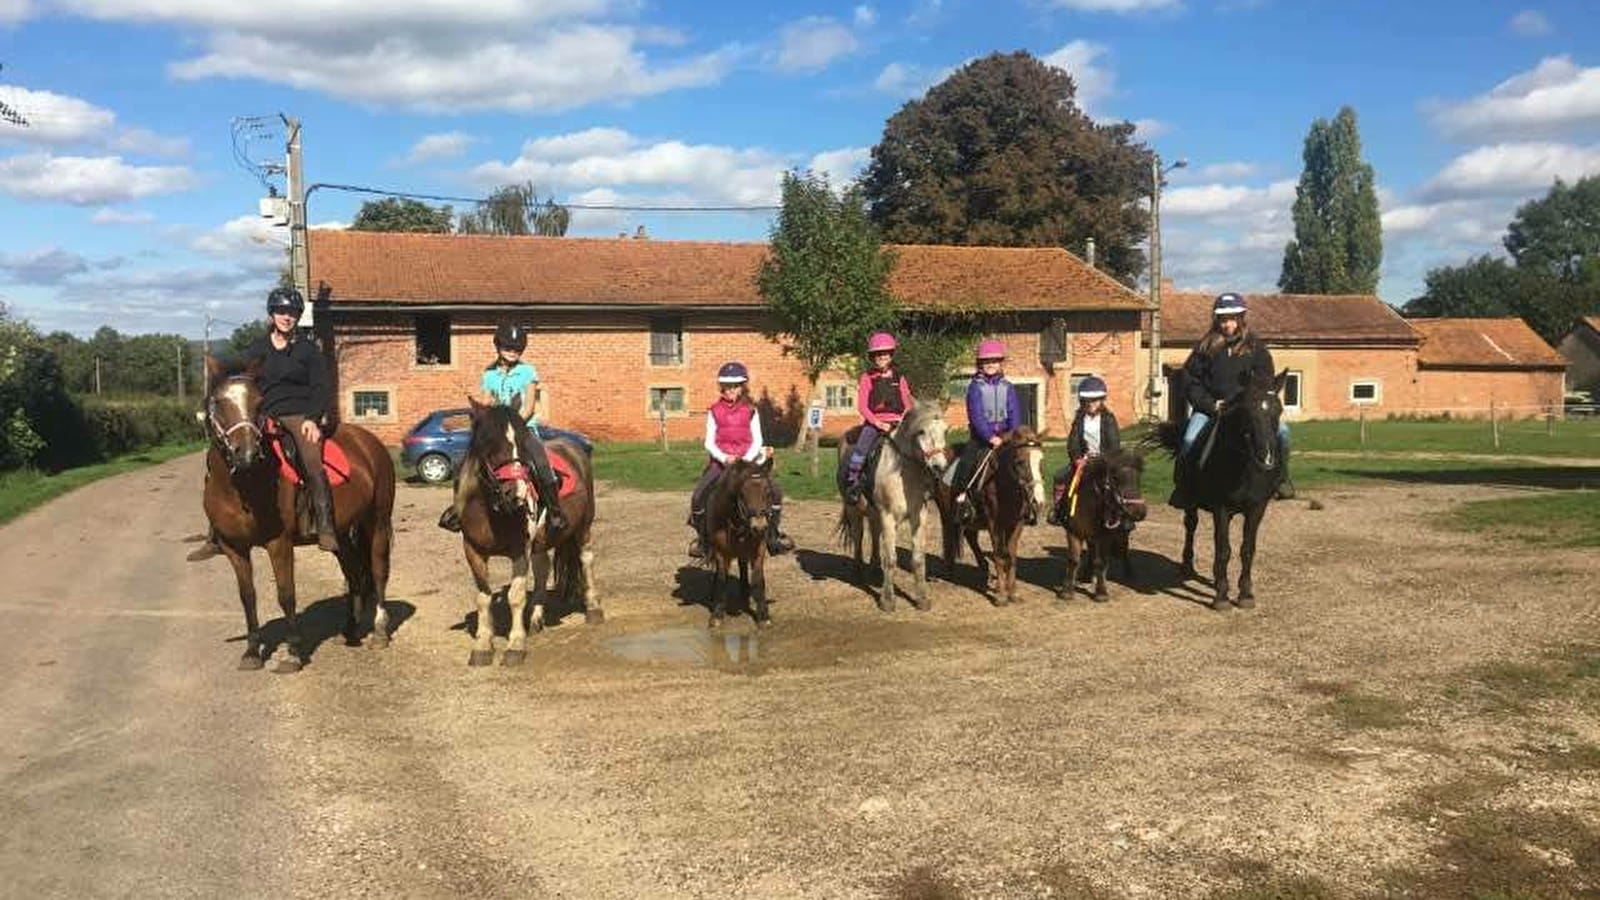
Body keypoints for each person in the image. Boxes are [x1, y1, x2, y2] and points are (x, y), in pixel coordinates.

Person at [438, 322, 568, 533]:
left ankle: (554, 511)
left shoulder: (528, 372)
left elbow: (528, 407)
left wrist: (513, 425)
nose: (512, 352)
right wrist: (482, 416)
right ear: (498, 348)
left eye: (517, 349)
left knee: (540, 461)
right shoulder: (489, 374)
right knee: (465, 464)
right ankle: (458, 510)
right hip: (498, 433)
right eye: (508, 347)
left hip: (523, 429)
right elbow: (488, 402)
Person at [1174, 292, 1293, 504]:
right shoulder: (1204, 347)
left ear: (1241, 318)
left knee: (1283, 433)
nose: (1227, 324)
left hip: (1247, 410)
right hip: (1210, 409)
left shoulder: (1256, 348)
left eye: (1232, 319)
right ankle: (1184, 488)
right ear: (1216, 320)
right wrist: (1210, 404)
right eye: (1223, 319)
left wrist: (1250, 401)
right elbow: (1190, 380)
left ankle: (1281, 479)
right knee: (1189, 439)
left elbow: (1265, 380)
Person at [252, 286, 338, 552]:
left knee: (313, 463)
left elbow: (321, 386)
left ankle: (325, 527)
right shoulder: (257, 349)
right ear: (272, 314)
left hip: (298, 415)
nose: (286, 317)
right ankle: (216, 533)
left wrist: (312, 419)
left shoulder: (308, 350)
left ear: (298, 317)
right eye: (281, 311)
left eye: (291, 313)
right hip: (264, 414)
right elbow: (246, 380)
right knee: (230, 456)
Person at [686, 361, 794, 559]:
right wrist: (724, 458)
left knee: (776, 492)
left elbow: (757, 440)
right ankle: (703, 540)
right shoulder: (713, 411)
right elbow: (709, 442)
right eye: (726, 386)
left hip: (747, 463)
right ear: (721, 387)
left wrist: (744, 460)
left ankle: (773, 536)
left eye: (735, 386)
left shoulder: (751, 410)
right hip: (721, 464)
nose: (730, 390)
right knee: (698, 496)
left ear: (742, 387)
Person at [948, 339, 1022, 523]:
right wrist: (989, 437)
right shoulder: (975, 387)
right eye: (986, 362)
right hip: (981, 438)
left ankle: (1027, 503)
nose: (990, 365)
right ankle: (961, 501)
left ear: (1000, 363)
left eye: (994, 361)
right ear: (980, 364)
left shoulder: (1008, 387)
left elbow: (1014, 411)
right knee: (965, 464)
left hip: (1006, 437)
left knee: (1024, 464)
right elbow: (976, 416)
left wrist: (1011, 434)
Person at [843, 331, 915, 505]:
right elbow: (862, 406)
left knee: (918, 446)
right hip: (875, 423)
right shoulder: (867, 378)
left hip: (897, 423)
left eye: (885, 353)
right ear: (872, 357)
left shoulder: (900, 377)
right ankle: (854, 481)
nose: (882, 357)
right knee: (862, 447)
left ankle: (925, 482)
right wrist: (878, 423)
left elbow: (908, 402)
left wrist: (904, 417)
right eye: (877, 354)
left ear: (891, 355)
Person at [1046, 376, 1121, 526]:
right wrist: (1076, 458)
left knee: (1121, 480)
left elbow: (1114, 444)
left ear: (1102, 400)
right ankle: (1059, 509)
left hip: (1104, 461)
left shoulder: (1108, 419)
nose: (1091, 403)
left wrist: (1105, 460)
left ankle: (1122, 514)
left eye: (1095, 400)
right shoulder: (1079, 418)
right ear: (1082, 401)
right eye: (1088, 400)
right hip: (1083, 461)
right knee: (1060, 476)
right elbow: (1073, 442)